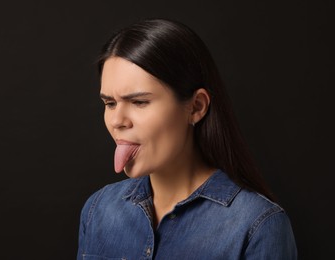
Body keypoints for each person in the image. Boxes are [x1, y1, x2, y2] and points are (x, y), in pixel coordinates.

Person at [77, 18, 297, 259]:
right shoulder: (98, 209)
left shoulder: (258, 225)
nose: (117, 120)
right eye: (109, 103)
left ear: (196, 107)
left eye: (139, 102)